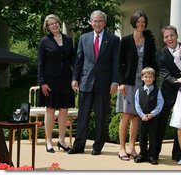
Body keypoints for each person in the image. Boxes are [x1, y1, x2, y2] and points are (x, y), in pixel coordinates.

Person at [68, 10, 120, 155]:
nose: (97, 23)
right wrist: (74, 78)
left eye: (100, 21)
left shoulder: (114, 39)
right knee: (83, 115)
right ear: (91, 22)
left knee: (101, 116)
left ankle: (97, 147)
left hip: (104, 83)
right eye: (95, 21)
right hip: (85, 82)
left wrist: (115, 81)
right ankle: (79, 146)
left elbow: (116, 63)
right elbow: (78, 60)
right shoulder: (84, 38)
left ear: (104, 23)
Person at [116, 11, 158, 161]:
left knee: (136, 117)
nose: (141, 24)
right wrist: (120, 83)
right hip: (128, 83)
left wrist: (153, 83)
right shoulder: (126, 40)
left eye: (143, 22)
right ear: (134, 23)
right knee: (126, 115)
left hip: (143, 84)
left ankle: (132, 147)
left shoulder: (149, 41)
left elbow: (153, 63)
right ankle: (121, 148)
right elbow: (119, 64)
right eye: (138, 21)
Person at [156, 25, 181, 161]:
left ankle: (178, 154)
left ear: (176, 35)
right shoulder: (160, 54)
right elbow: (164, 75)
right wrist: (180, 81)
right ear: (164, 39)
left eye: (171, 35)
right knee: (160, 122)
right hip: (167, 91)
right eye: (166, 36)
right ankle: (154, 153)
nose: (169, 38)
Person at [37, 14, 75, 153]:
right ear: (47, 27)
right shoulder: (44, 41)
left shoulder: (68, 40)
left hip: (66, 79)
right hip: (50, 81)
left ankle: (61, 140)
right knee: (50, 109)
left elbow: (74, 61)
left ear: (59, 23)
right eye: (50, 24)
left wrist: (75, 78)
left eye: (55, 23)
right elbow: (40, 63)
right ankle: (48, 141)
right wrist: (42, 82)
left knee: (64, 109)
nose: (54, 25)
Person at [134, 67, 164, 165]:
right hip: (142, 118)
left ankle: (152, 155)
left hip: (153, 118)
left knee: (153, 136)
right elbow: (137, 104)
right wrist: (142, 115)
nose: (148, 79)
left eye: (150, 77)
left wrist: (152, 114)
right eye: (146, 77)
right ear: (142, 78)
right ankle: (143, 154)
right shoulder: (139, 91)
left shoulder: (157, 91)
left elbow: (160, 104)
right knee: (142, 136)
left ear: (154, 78)